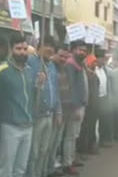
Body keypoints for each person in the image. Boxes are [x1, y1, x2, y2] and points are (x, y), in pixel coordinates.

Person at [0, 34, 35, 177]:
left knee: (20, 168)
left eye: (25, 48)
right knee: (6, 168)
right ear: (11, 49)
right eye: (18, 48)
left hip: (28, 126)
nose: (22, 52)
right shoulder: (3, 70)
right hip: (10, 126)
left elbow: (32, 97)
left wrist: (39, 84)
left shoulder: (30, 71)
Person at [27, 35, 61, 177]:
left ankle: (41, 173)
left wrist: (58, 111)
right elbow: (27, 87)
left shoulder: (52, 65)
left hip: (50, 114)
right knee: (33, 152)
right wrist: (37, 83)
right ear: (38, 47)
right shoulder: (31, 62)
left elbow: (55, 88)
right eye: (46, 45)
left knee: (44, 149)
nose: (49, 49)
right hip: (36, 115)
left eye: (52, 47)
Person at [62, 40, 88, 175]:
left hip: (81, 105)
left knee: (74, 135)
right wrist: (75, 108)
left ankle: (71, 158)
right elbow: (70, 88)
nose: (82, 52)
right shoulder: (71, 65)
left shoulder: (80, 64)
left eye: (84, 50)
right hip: (75, 107)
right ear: (72, 50)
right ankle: (67, 163)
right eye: (79, 50)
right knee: (70, 136)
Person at [46, 44, 71, 177]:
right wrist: (58, 111)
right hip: (53, 111)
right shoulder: (50, 67)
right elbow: (54, 92)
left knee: (56, 142)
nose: (63, 58)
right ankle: (46, 169)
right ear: (54, 54)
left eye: (65, 57)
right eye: (60, 56)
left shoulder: (64, 68)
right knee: (47, 145)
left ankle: (51, 168)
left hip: (63, 110)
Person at [77, 54, 99, 156]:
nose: (95, 63)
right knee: (85, 128)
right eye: (93, 61)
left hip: (94, 104)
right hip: (87, 104)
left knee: (92, 127)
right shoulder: (86, 74)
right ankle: (83, 149)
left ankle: (91, 146)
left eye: (95, 61)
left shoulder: (94, 74)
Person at [95, 49, 113, 148]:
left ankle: (103, 140)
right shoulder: (93, 68)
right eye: (102, 59)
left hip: (104, 97)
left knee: (104, 120)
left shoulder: (105, 69)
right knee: (92, 122)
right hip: (95, 99)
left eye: (105, 59)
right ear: (97, 59)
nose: (104, 61)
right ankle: (91, 143)